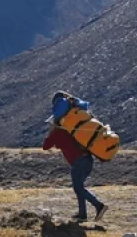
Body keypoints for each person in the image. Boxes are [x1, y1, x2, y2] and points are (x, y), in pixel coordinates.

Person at [44, 91, 109, 222]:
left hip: (79, 162)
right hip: (87, 160)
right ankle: (82, 214)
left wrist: (51, 131)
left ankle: (99, 205)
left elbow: (46, 146)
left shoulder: (58, 132)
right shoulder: (72, 128)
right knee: (79, 187)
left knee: (78, 187)